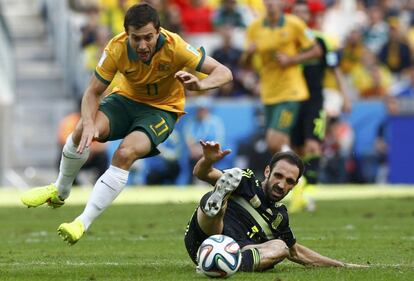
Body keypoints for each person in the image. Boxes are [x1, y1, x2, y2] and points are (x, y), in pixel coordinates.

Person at [20, 3, 233, 245]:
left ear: (159, 32)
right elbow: (92, 92)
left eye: (148, 38)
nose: (142, 45)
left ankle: (81, 222)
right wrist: (90, 123)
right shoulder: (116, 48)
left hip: (161, 110)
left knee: (125, 153)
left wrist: (200, 84)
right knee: (81, 131)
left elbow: (224, 72)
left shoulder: (177, 47)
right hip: (125, 100)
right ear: (126, 34)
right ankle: (60, 191)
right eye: (136, 39)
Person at [184, 140, 366, 272]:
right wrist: (207, 160)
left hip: (238, 251)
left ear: (294, 185)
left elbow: (297, 253)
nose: (281, 184)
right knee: (215, 200)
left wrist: (340, 265)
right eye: (278, 176)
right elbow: (203, 173)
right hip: (205, 238)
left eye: (289, 181)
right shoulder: (244, 180)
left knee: (281, 247)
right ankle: (218, 201)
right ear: (267, 171)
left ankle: (231, 263)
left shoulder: (279, 217)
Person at [288, 0, 352, 212]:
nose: (300, 16)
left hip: (315, 100)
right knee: (296, 150)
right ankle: (299, 191)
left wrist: (345, 96)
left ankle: (310, 193)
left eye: (303, 13)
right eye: (296, 13)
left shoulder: (321, 41)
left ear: (309, 16)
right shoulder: (287, 41)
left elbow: (335, 70)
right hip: (292, 100)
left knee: (313, 146)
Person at [241, 0, 321, 155]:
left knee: (274, 140)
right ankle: (294, 174)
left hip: (291, 92)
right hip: (269, 93)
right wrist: (249, 54)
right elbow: (245, 65)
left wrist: (291, 60)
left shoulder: (294, 24)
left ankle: (293, 172)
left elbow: (316, 51)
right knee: (279, 144)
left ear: (282, 3)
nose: (270, 3)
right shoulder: (254, 28)